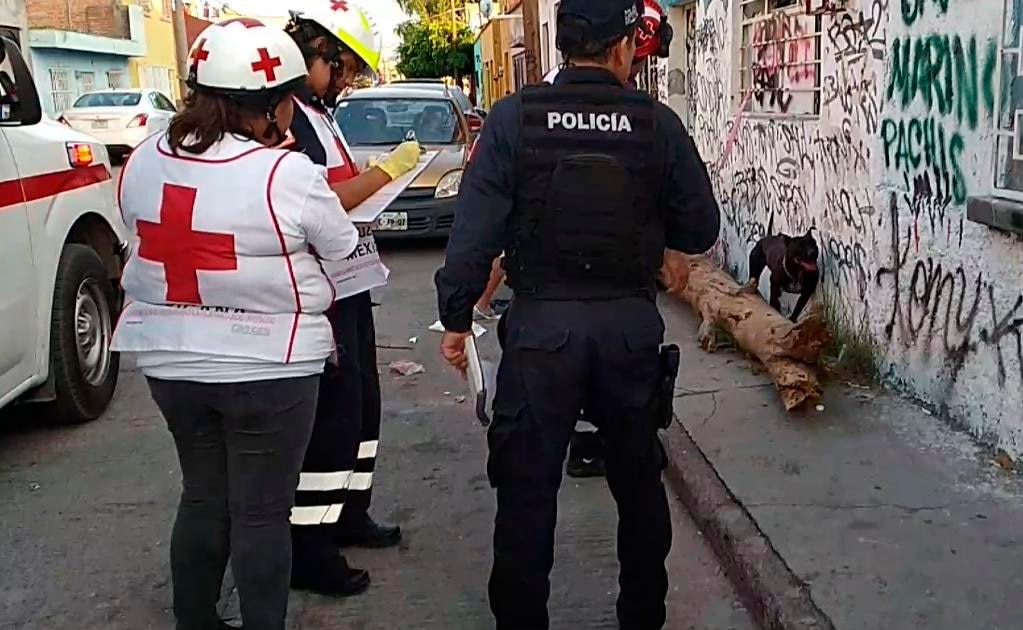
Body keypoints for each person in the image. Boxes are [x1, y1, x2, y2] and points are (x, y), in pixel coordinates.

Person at [434, 0, 720, 627]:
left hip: (542, 332)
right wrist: (652, 233)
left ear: (563, 44)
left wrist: (456, 319)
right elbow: (701, 225)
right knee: (638, 485)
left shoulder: (514, 118)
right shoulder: (656, 122)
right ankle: (641, 615)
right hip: (627, 332)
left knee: (526, 493)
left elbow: (473, 234)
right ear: (622, 46)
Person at [112, 18, 359, 630]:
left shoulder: (143, 160)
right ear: (273, 107)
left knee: (203, 496)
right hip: (271, 368)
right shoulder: (286, 172)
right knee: (261, 512)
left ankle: (194, 621)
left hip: (170, 360)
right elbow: (341, 243)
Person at [282, 0, 421, 597]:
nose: (347, 80)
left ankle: (349, 511)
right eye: (343, 68)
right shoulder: (290, 117)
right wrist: (386, 173)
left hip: (350, 281)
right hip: (323, 291)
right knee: (332, 418)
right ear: (317, 53)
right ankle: (310, 547)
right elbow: (322, 201)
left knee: (362, 407)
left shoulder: (319, 112)